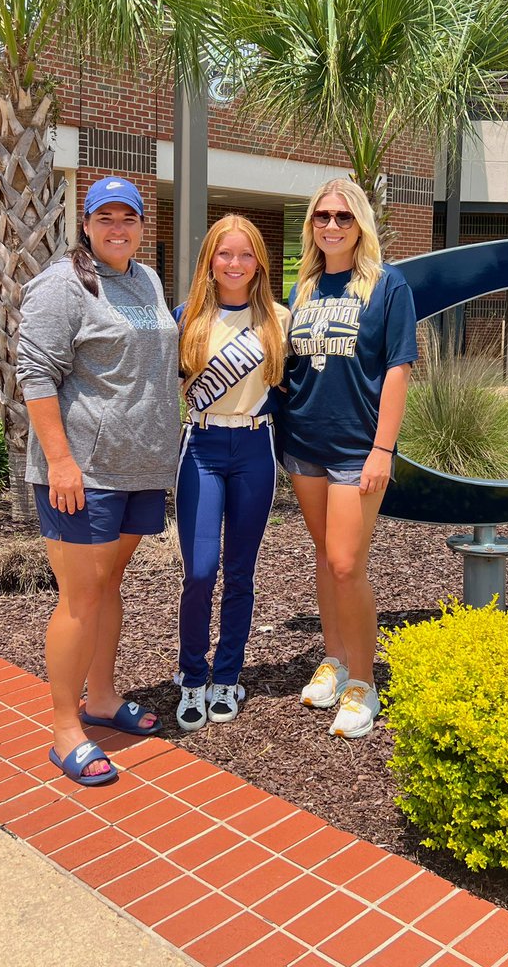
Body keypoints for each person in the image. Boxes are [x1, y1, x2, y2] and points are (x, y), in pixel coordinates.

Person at [17, 176, 179, 785]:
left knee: (109, 584)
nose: (118, 228)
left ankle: (104, 699)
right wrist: (61, 463)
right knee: (80, 597)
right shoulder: (63, 285)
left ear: (142, 226)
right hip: (82, 472)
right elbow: (35, 375)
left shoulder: (145, 279)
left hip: (139, 468)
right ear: (85, 224)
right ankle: (65, 730)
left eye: (128, 218)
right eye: (104, 218)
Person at [284, 177, 417, 739]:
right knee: (324, 553)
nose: (332, 225)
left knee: (346, 562)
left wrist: (383, 448)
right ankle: (335, 660)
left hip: (356, 450)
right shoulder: (305, 288)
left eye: (343, 216)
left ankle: (364, 681)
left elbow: (398, 368)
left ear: (360, 222)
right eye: (322, 216)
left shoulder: (388, 287)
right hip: (303, 445)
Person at [173, 215, 290, 731]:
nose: (235, 264)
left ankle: (227, 676)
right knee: (199, 572)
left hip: (253, 447)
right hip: (200, 445)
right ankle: (191, 675)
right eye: (225, 254)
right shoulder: (187, 318)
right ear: (210, 261)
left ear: (259, 262)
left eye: (246, 255)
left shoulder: (278, 321)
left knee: (241, 571)